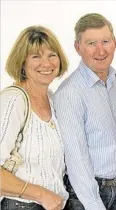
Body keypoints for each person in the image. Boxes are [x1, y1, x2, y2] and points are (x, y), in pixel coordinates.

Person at [54, 13, 116, 210]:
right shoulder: (70, 93)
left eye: (105, 41)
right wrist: (94, 204)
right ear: (78, 47)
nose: (100, 50)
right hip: (86, 196)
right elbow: (76, 159)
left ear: (114, 43)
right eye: (91, 43)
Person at [0, 26, 69, 210]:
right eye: (36, 56)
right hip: (22, 206)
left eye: (52, 55)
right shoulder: (13, 101)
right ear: (22, 62)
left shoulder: (54, 99)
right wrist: (42, 195)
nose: (46, 64)